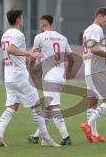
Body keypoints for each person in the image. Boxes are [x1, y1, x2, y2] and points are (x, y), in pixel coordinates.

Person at [0, 9, 59, 147]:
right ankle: (46, 139)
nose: (23, 20)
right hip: (19, 75)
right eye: (22, 18)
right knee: (37, 106)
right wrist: (29, 53)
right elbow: (11, 49)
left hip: (9, 76)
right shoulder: (18, 34)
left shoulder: (5, 34)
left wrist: (27, 52)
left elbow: (10, 49)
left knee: (12, 106)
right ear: (18, 19)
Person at [27, 14, 74, 146]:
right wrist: (68, 71)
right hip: (60, 74)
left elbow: (32, 57)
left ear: (43, 23)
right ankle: (37, 136)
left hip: (49, 75)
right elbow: (71, 58)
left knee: (53, 106)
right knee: (48, 107)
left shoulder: (40, 37)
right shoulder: (62, 37)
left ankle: (66, 137)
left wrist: (30, 71)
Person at [80, 7, 106, 143]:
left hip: (88, 69)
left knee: (93, 101)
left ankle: (94, 135)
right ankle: (88, 124)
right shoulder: (97, 29)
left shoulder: (87, 30)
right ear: (100, 16)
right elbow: (94, 49)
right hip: (96, 70)